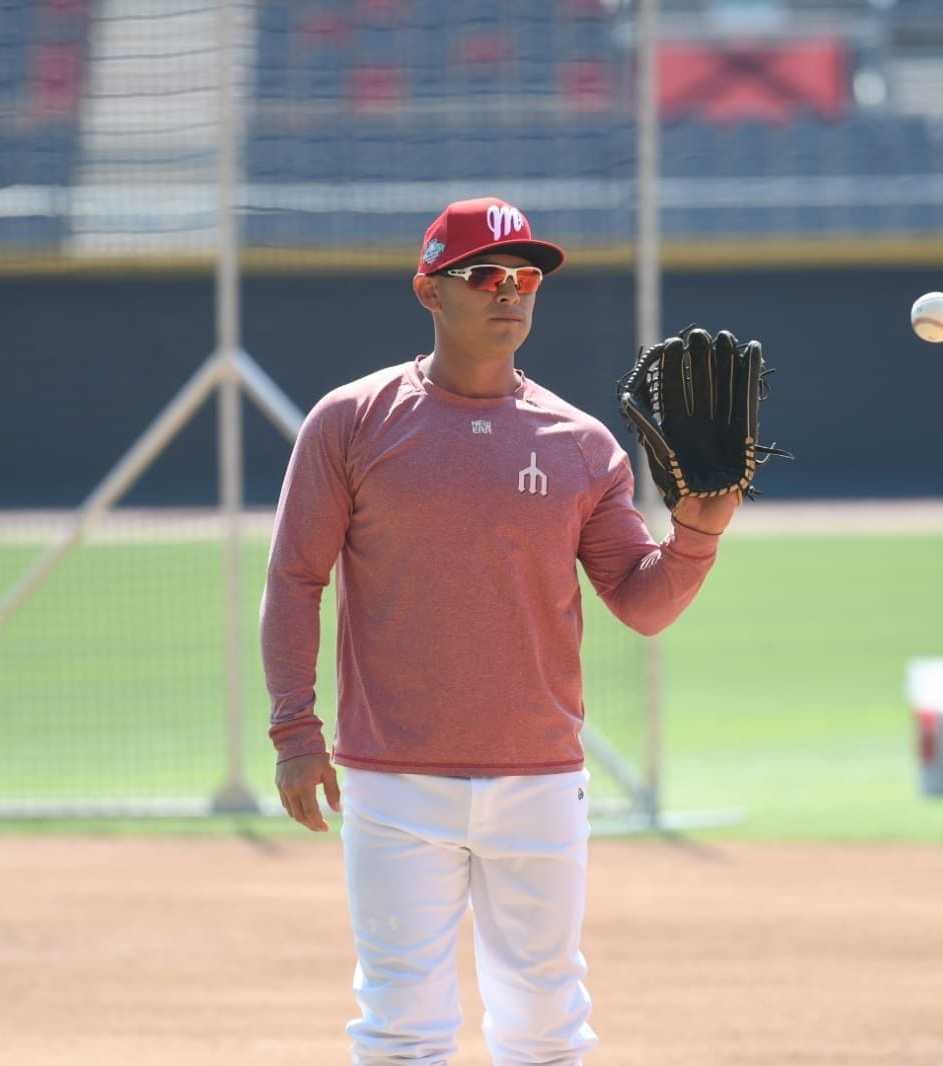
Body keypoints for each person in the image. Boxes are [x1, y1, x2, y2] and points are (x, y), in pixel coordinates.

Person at [260, 196, 742, 1065]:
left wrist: (696, 536)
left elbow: (640, 602)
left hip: (539, 775)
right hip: (393, 774)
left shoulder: (580, 443)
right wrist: (295, 732)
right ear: (428, 291)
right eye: (483, 274)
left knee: (545, 1023)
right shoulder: (351, 421)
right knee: (401, 1024)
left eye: (525, 277)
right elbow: (295, 579)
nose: (509, 291)